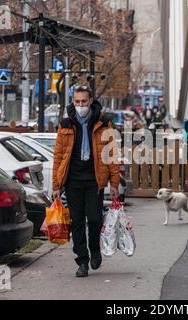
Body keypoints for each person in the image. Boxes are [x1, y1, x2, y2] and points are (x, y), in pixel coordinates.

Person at [52, 85, 120, 277]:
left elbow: (112, 154)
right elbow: (58, 156)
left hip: (94, 179)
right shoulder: (65, 124)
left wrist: (114, 183)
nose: (80, 105)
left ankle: (95, 250)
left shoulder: (104, 123)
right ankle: (82, 260)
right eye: (77, 101)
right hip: (73, 180)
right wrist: (56, 186)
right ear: (73, 101)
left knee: (95, 218)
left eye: (84, 101)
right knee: (77, 221)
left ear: (90, 101)